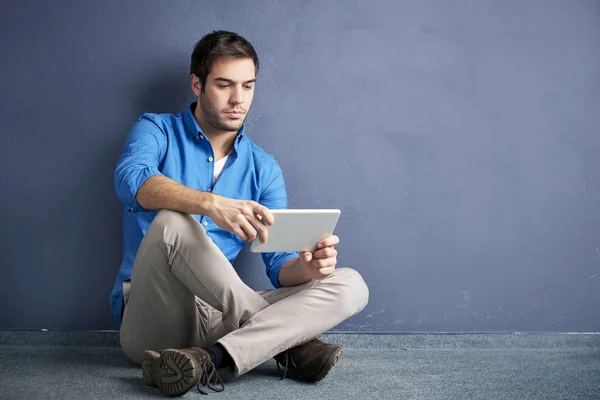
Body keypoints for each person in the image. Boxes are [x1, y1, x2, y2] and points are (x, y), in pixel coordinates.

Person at [109, 30, 369, 396]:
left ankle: (211, 358)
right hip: (153, 316)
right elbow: (131, 183)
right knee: (172, 221)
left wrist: (308, 268)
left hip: (220, 316)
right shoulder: (156, 129)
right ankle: (285, 347)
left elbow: (279, 266)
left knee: (351, 285)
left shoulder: (264, 168)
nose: (238, 99)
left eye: (248, 86)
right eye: (224, 85)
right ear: (197, 84)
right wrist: (211, 204)